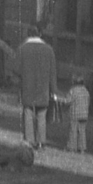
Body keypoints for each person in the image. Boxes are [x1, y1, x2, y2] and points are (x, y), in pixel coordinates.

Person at [18, 24, 57, 152]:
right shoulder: (49, 50)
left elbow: (15, 68)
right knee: (41, 116)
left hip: (27, 87)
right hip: (43, 89)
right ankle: (41, 142)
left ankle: (29, 140)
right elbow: (52, 73)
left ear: (28, 34)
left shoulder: (22, 49)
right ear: (40, 34)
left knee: (28, 113)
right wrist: (54, 91)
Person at [67, 73, 92, 154]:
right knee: (82, 132)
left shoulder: (73, 90)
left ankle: (72, 148)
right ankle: (82, 149)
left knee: (73, 131)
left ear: (74, 82)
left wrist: (60, 99)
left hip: (74, 114)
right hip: (84, 114)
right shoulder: (86, 91)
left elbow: (68, 101)